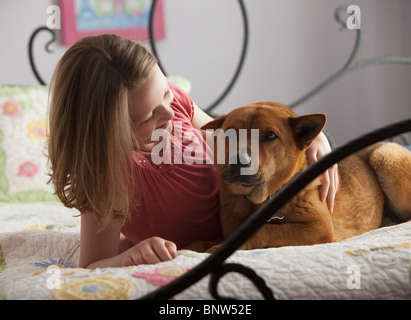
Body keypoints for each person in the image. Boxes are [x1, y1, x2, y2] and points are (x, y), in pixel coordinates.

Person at [47, 34, 338, 269]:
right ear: (108, 134)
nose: (169, 113)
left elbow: (234, 134)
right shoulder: (108, 180)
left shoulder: (175, 107)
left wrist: (309, 138)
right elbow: (92, 264)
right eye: (149, 117)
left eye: (165, 92)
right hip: (220, 243)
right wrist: (127, 258)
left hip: (259, 214)